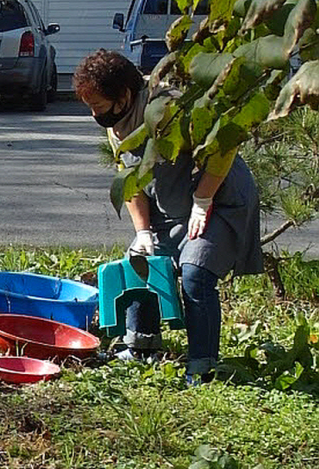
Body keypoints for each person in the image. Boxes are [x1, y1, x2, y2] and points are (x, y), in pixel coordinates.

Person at [72, 48, 262, 384]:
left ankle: (203, 364)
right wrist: (143, 232)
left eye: (98, 107)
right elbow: (129, 178)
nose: (94, 115)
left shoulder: (171, 106)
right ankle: (141, 345)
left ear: (124, 96)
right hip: (170, 204)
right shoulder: (117, 124)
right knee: (139, 261)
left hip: (219, 199)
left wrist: (203, 200)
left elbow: (225, 145)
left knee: (195, 274)